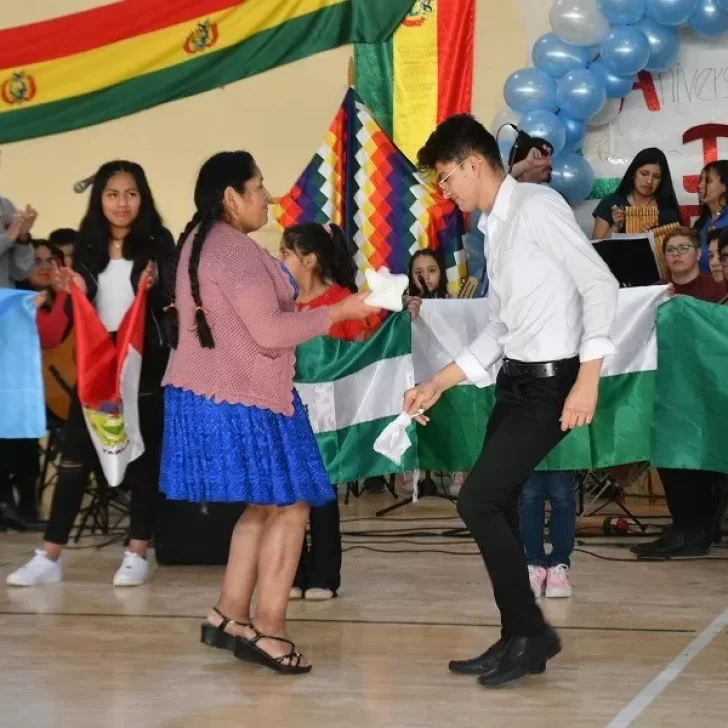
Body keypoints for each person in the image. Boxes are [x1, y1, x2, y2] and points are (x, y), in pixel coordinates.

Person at [404, 114, 619, 688]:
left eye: (447, 178)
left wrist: (588, 378)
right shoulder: (496, 227)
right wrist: (439, 382)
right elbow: (500, 328)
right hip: (516, 380)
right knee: (491, 506)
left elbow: (599, 284)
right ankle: (516, 633)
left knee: (476, 501)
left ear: (473, 163)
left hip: (552, 383)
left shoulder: (538, 207)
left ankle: (534, 632)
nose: (446, 192)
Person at [159, 151, 378, 674]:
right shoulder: (232, 251)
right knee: (293, 504)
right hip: (244, 397)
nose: (268, 197)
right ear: (231, 197)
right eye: (258, 187)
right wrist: (340, 311)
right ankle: (269, 630)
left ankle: (229, 615)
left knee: (264, 505)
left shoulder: (204, 242)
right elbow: (270, 333)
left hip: (220, 392)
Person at [6, 161, 176, 587]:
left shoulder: (159, 241)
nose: (122, 203)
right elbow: (81, 304)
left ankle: (137, 551)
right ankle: (50, 554)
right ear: (99, 199)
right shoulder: (87, 245)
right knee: (74, 459)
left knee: (141, 459)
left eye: (131, 193)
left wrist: (157, 289)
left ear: (143, 196)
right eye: (113, 194)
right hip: (99, 365)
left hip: (142, 364)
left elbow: (171, 303)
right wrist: (74, 289)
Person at [280, 221, 381, 601]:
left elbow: (366, 349)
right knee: (287, 496)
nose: (281, 262)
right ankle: (289, 571)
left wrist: (401, 317)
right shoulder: (280, 304)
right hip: (284, 413)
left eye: (286, 254)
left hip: (326, 418)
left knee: (321, 494)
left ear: (309, 260)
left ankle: (323, 575)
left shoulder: (341, 301)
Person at [591, 147, 681, 240]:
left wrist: (654, 238)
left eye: (656, 176)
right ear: (633, 173)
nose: (649, 181)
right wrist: (615, 227)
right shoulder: (611, 202)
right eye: (644, 173)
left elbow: (676, 250)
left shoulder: (667, 210)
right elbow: (596, 249)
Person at [661, 227, 724, 302]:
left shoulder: (717, 289)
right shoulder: (656, 290)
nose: (675, 253)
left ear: (698, 253)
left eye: (683, 248)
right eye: (670, 250)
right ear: (664, 257)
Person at [694, 160, 728, 272]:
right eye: (701, 180)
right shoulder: (700, 224)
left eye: (708, 181)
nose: (700, 186)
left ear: (724, 187)